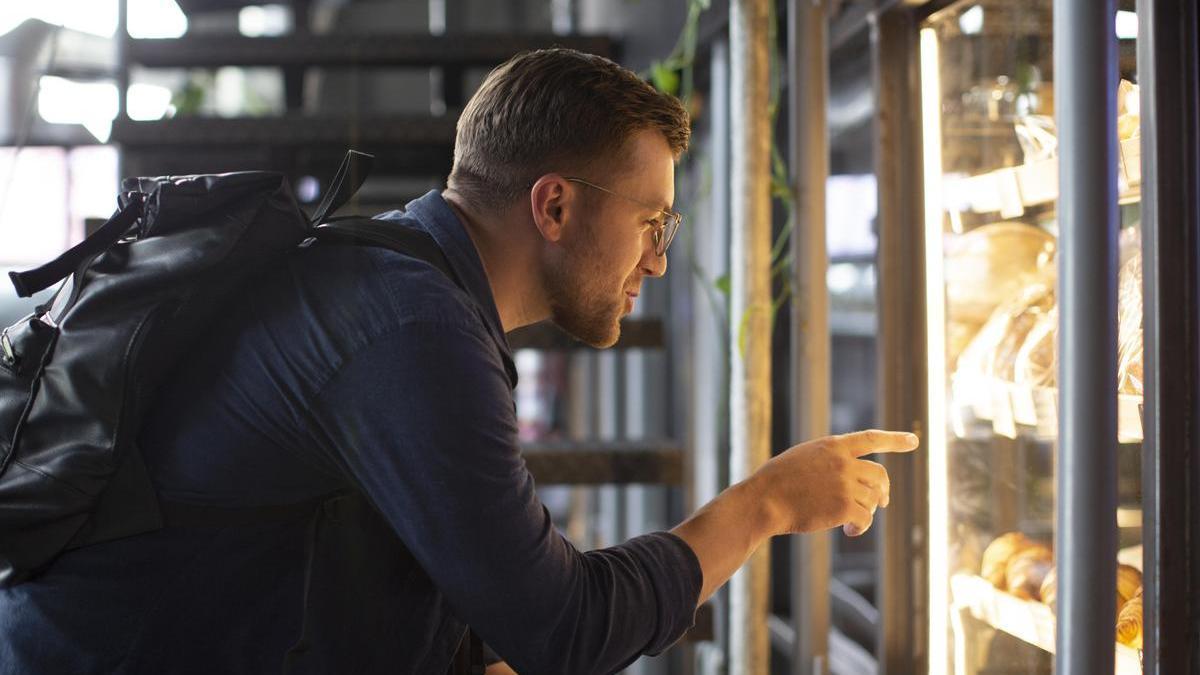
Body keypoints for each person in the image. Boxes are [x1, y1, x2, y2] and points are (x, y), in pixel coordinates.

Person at [0, 48, 916, 674]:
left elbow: (371, 548)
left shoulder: (407, 290)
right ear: (553, 207)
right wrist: (763, 504)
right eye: (652, 223)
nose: (660, 259)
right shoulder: (411, 328)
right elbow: (560, 625)